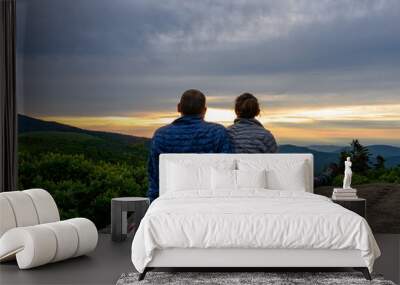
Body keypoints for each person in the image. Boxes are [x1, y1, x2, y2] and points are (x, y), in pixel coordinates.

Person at [147, 89, 233, 202]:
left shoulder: (161, 135)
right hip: (210, 201)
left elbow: (154, 175)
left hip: (169, 201)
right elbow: (227, 172)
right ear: (205, 110)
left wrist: (154, 203)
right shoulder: (218, 133)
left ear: (178, 107)